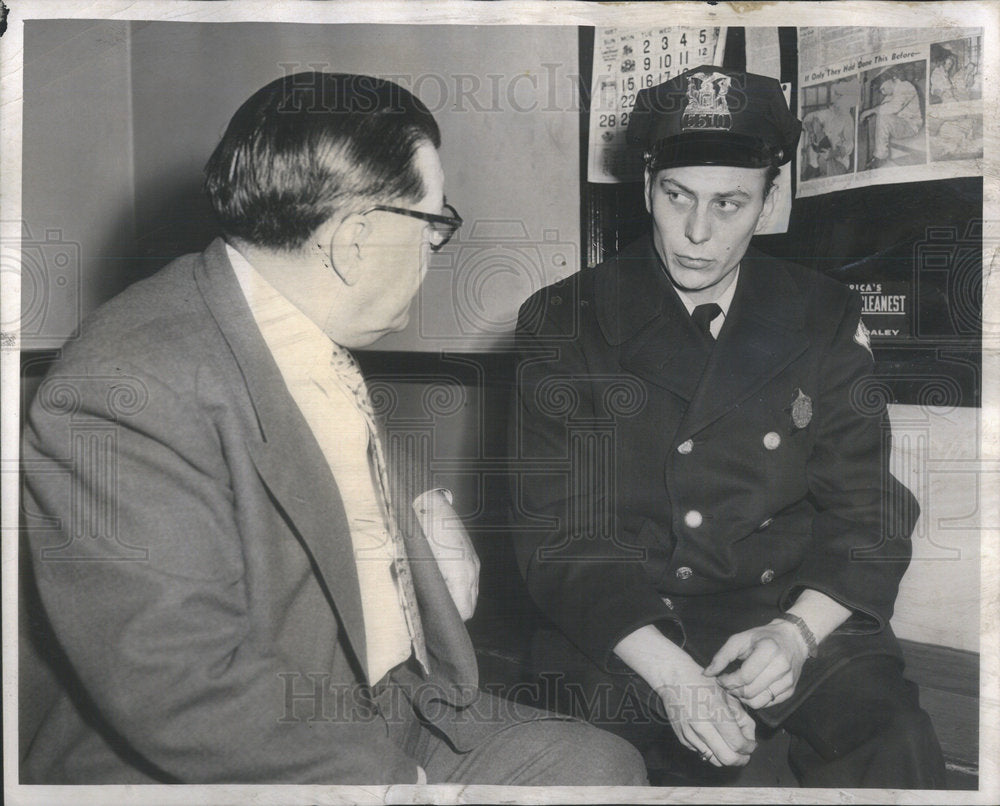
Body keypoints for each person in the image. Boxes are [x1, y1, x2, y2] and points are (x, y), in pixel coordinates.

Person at [20, 72, 648, 786]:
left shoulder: (285, 321)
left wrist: (422, 515)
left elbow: (322, 480)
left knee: (599, 768)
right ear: (354, 240)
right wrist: (394, 787)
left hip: (384, 700)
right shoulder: (123, 385)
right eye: (434, 225)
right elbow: (179, 687)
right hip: (221, 751)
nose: (433, 253)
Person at [510, 65, 946, 788]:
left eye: (730, 203)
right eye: (677, 196)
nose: (697, 234)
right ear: (647, 182)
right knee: (588, 768)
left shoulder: (822, 313)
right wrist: (675, 677)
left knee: (891, 738)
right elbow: (560, 539)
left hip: (783, 603)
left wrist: (798, 633)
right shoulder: (563, 322)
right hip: (626, 621)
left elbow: (867, 511)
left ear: (769, 203)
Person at [860, 67, 924, 169]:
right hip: (900, 125)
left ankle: (881, 157)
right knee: (879, 116)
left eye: (883, 88)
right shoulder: (892, 93)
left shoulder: (906, 86)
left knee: (883, 117)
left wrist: (869, 111)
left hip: (911, 126)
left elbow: (893, 107)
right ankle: (874, 155)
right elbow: (882, 107)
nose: (883, 92)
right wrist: (870, 114)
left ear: (890, 80)